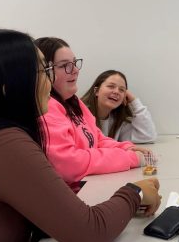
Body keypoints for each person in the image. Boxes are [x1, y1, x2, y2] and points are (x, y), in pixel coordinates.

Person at [0, 29, 162, 242]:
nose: (50, 80)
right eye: (43, 70)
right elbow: (90, 233)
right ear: (7, 86)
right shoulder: (4, 145)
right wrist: (135, 192)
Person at [34, 37, 152, 192]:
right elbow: (70, 164)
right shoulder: (47, 107)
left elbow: (96, 138)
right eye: (65, 66)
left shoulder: (73, 101)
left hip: (90, 186)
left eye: (75, 63)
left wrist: (126, 148)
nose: (75, 70)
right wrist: (130, 158)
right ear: (44, 71)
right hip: (72, 196)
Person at [81, 70, 157, 143]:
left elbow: (148, 136)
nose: (116, 92)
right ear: (96, 91)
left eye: (121, 90)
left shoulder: (118, 121)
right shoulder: (79, 116)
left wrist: (133, 101)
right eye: (111, 86)